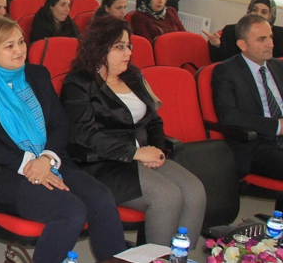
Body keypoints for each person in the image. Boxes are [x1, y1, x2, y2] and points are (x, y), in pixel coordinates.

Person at [0, 17, 127, 263]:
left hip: (51, 161)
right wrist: (29, 162)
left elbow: (60, 124)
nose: (19, 50)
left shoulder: (37, 75)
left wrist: (46, 159)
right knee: (71, 211)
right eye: (9, 46)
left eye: (21, 42)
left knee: (101, 199)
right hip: (5, 173)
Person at [61, 16, 206, 248]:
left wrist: (157, 149)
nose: (127, 52)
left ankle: (179, 257)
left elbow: (154, 120)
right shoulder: (78, 83)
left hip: (143, 155)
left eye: (129, 46)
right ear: (99, 47)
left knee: (195, 191)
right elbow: (85, 136)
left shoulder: (133, 75)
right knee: (167, 197)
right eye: (119, 47)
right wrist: (135, 154)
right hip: (103, 163)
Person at [212, 14, 283, 211]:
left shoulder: (279, 66)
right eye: (262, 39)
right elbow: (229, 115)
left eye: (270, 37)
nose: (270, 44)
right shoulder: (226, 71)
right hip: (257, 145)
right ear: (242, 44)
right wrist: (277, 126)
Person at [206, 0, 283, 62]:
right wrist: (216, 45)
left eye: (264, 12)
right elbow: (221, 61)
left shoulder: (280, 34)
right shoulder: (232, 31)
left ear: (271, 16)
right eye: (255, 10)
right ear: (249, 11)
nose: (258, 14)